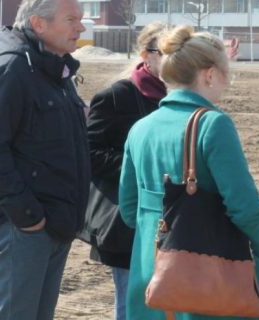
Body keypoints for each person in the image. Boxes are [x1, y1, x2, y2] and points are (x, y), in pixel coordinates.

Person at [118, 26, 259, 320]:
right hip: (206, 282)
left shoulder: (140, 128)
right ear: (208, 74)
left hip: (151, 278)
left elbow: (130, 211)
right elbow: (245, 208)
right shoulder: (213, 125)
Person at [0, 0, 90, 320]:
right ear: (39, 23)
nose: (81, 27)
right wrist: (27, 216)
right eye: (72, 19)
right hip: (22, 228)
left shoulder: (50, 68)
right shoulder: (12, 69)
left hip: (52, 224)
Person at [84, 22, 167, 320]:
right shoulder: (116, 97)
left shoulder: (186, 98)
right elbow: (90, 154)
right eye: (167, 52)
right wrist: (140, 167)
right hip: (129, 224)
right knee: (134, 308)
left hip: (177, 221)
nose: (175, 59)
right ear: (146, 54)